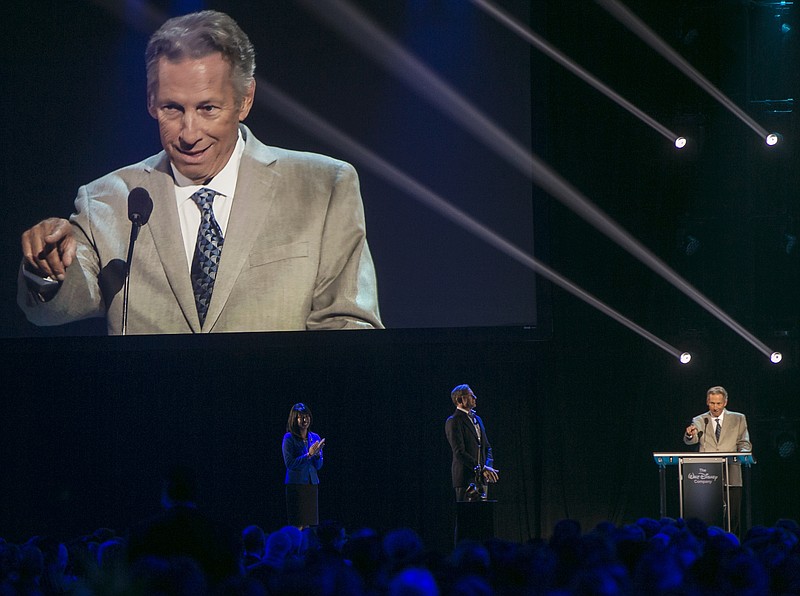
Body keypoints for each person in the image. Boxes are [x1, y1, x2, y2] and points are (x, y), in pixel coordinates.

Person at [18, 9, 382, 334]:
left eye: (208, 108)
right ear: (150, 101)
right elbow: (54, 309)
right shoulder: (108, 199)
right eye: (172, 109)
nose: (189, 134)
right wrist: (47, 268)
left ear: (245, 100)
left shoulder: (322, 186)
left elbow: (348, 324)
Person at [684, 385, 752, 535]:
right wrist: (689, 435)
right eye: (712, 403)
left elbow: (744, 442)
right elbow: (692, 439)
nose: (715, 408)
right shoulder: (700, 420)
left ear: (725, 402)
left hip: (731, 473)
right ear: (707, 402)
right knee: (709, 515)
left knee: (733, 516)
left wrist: (744, 453)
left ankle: (733, 545)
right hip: (706, 476)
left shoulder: (738, 418)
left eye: (719, 403)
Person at [444, 384, 498, 502]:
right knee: (468, 516)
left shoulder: (477, 419)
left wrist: (488, 467)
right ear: (460, 400)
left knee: (482, 515)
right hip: (465, 479)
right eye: (470, 395)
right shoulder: (454, 421)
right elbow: (459, 452)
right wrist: (481, 468)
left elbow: (487, 447)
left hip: (481, 478)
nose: (475, 397)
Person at [283, 403, 325, 529]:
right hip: (296, 485)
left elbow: (318, 466)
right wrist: (309, 455)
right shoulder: (289, 438)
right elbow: (290, 464)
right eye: (301, 417)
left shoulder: (315, 437)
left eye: (307, 416)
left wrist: (317, 455)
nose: (305, 420)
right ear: (294, 420)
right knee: (298, 524)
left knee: (310, 525)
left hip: (311, 485)